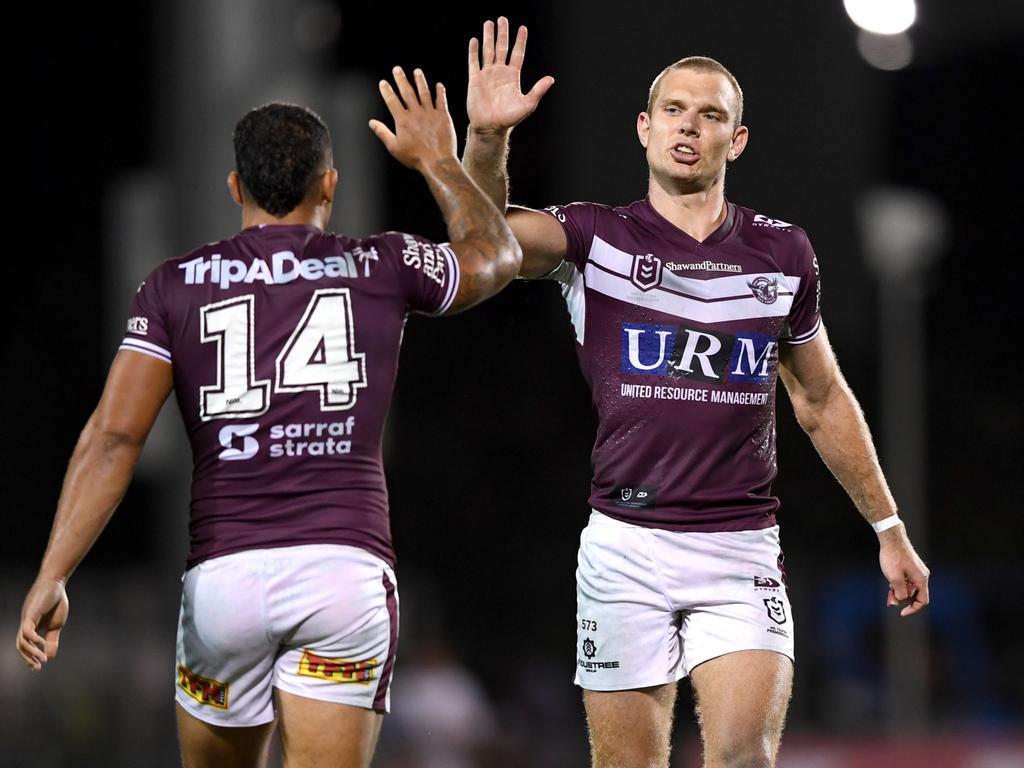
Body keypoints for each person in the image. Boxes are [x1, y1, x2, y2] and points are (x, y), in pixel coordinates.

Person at [15, 67, 520, 768]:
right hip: (342, 574)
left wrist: (54, 573)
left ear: (234, 189)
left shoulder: (173, 285)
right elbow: (496, 254)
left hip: (228, 581)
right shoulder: (380, 264)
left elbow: (113, 437)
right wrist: (438, 157)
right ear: (330, 185)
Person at [461, 17, 930, 768]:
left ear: (734, 141)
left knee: (743, 758)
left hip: (738, 547)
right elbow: (483, 247)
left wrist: (889, 526)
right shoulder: (594, 237)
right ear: (644, 128)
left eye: (711, 114)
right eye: (675, 110)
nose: (691, 125)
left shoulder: (783, 253)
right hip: (625, 546)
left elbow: (820, 399)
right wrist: (486, 141)